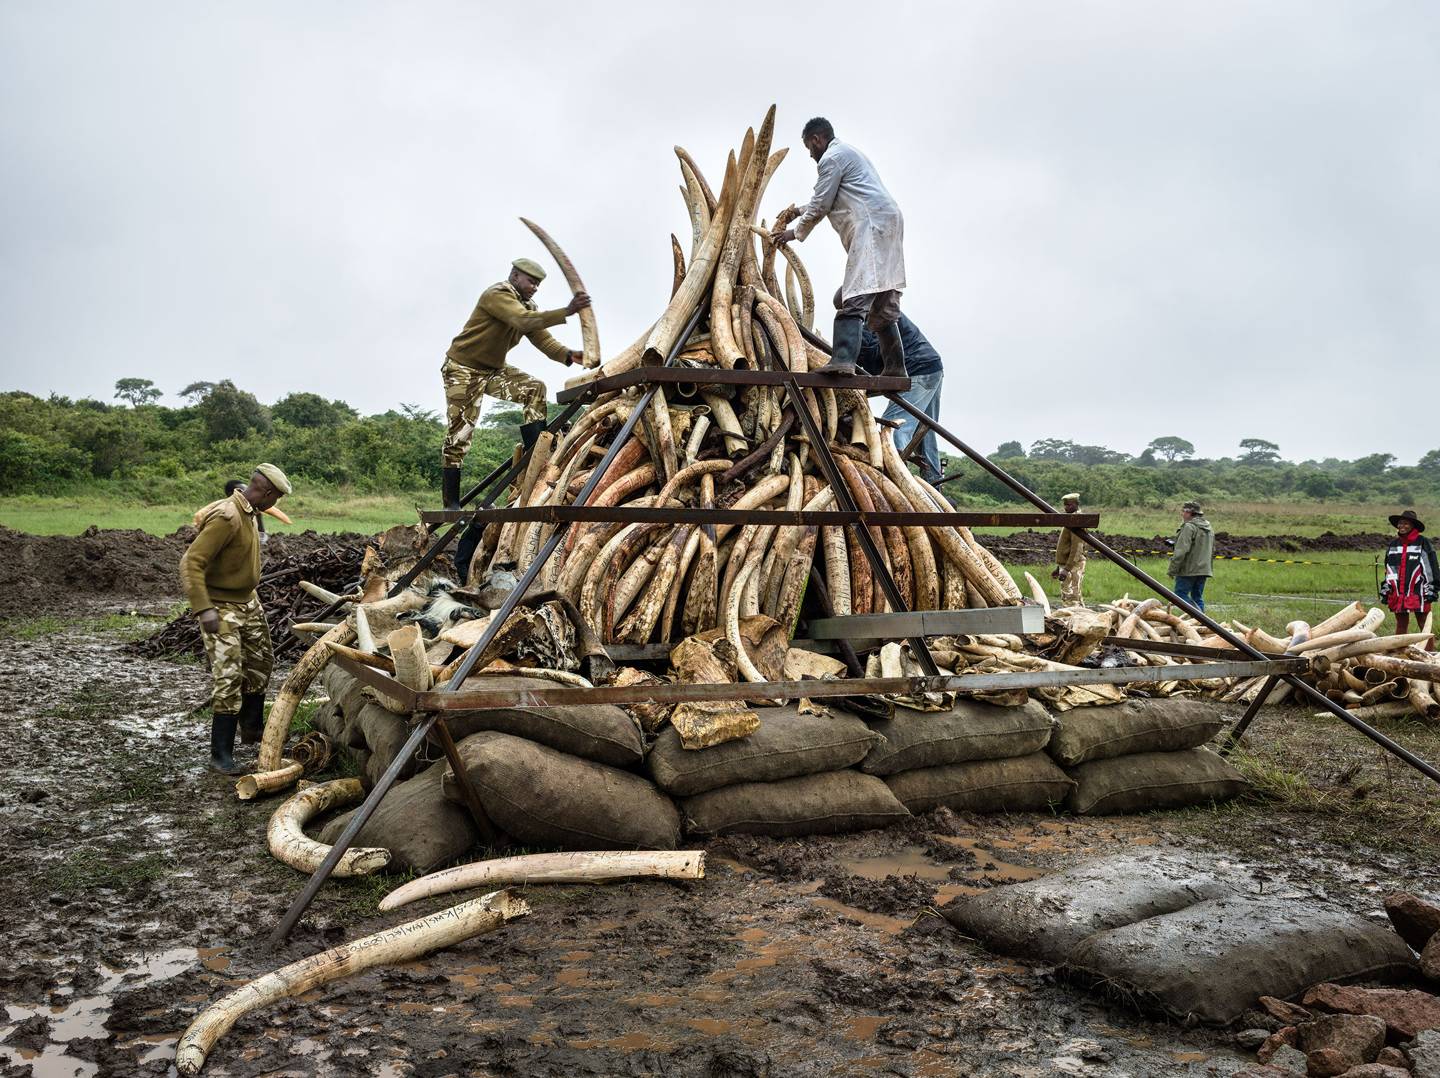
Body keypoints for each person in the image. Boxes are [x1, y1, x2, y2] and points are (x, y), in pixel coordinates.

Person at [440, 258, 591, 509]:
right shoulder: (497, 295)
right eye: (531, 282)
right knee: (460, 434)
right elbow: (523, 321)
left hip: (493, 370)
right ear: (515, 275)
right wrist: (566, 311)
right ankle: (450, 503)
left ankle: (536, 456)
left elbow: (543, 339)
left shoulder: (528, 305)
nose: (534, 288)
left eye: (538, 284)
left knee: (535, 388)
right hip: (463, 370)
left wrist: (567, 355)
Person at [772, 117, 906, 379]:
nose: (811, 155)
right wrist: (797, 211)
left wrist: (793, 233)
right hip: (886, 223)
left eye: (809, 149)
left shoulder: (830, 159)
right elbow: (828, 198)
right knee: (881, 299)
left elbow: (822, 203)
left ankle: (843, 359)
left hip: (873, 228)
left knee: (855, 293)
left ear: (816, 140)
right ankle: (895, 368)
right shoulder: (847, 153)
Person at [181, 464, 291, 773]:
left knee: (261, 662)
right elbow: (191, 563)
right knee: (228, 677)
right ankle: (221, 755)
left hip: (248, 602)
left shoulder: (251, 512)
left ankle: (252, 730)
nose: (276, 505)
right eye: (277, 498)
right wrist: (204, 609)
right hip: (221, 605)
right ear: (267, 493)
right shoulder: (227, 516)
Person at [853, 293, 944, 483]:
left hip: (917, 372)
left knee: (892, 428)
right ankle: (933, 485)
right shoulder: (877, 311)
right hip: (932, 368)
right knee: (924, 434)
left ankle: (895, 481)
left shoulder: (872, 319)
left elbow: (869, 357)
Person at [1380, 509, 1437, 649]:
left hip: (1420, 591)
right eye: (1400, 523)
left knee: (1424, 622)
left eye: (1405, 523)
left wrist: (1432, 589)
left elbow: (1432, 568)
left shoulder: (1423, 543)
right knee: (1401, 623)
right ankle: (1399, 656)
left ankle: (1433, 656)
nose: (1402, 526)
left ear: (1413, 526)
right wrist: (1386, 588)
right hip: (1398, 591)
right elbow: (1389, 568)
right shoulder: (1393, 545)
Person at [1168, 500, 1215, 612]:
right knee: (1197, 597)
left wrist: (1172, 570)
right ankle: (1202, 624)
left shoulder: (1189, 527)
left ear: (1189, 513)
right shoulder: (1209, 528)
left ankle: (1199, 616)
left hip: (1189, 569)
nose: (1182, 514)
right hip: (1204, 569)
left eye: (1183, 511)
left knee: (1179, 595)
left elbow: (1181, 551)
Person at [1052, 493, 1086, 607]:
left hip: (1073, 566)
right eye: (1065, 505)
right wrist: (1059, 567)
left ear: (1076, 504)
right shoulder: (1070, 519)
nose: (1066, 508)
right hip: (1067, 565)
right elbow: (1066, 545)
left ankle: (1072, 622)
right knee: (1070, 597)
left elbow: (1077, 549)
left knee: (1071, 598)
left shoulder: (1076, 521)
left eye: (1069, 505)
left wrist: (1066, 569)